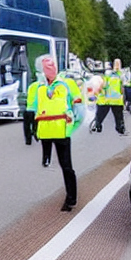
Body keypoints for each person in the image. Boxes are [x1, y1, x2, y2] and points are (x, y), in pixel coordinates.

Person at [28, 54, 84, 211]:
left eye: (51, 66)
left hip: (62, 130)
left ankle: (71, 199)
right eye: (46, 68)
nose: (49, 70)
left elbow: (79, 106)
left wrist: (73, 125)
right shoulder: (36, 87)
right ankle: (46, 157)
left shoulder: (67, 84)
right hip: (45, 129)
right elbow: (31, 110)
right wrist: (32, 131)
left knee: (66, 165)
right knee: (51, 153)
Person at [94, 58, 125, 135]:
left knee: (101, 114)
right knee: (118, 116)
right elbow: (122, 88)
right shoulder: (121, 75)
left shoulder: (108, 75)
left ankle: (98, 126)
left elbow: (103, 85)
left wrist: (98, 91)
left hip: (107, 99)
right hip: (117, 100)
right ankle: (120, 128)